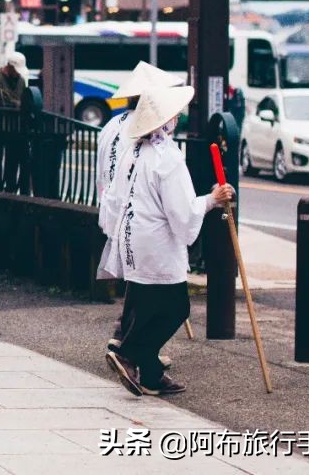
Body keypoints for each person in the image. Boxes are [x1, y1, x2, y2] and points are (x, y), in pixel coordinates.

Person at [103, 84, 235, 397]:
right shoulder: (168, 158)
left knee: (147, 304)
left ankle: (150, 374)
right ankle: (130, 351)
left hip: (134, 235)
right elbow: (182, 212)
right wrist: (212, 199)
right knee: (176, 307)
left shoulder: (136, 150)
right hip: (157, 241)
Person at [95, 62, 183, 353]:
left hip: (117, 207)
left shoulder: (111, 125)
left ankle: (129, 339)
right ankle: (129, 341)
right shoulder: (146, 134)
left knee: (136, 277)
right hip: (137, 212)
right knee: (145, 281)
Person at [0, 52, 28, 191]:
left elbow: (23, 98)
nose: (17, 73)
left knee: (12, 158)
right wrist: (15, 104)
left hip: (14, 127)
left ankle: (10, 187)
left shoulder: (21, 79)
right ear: (9, 67)